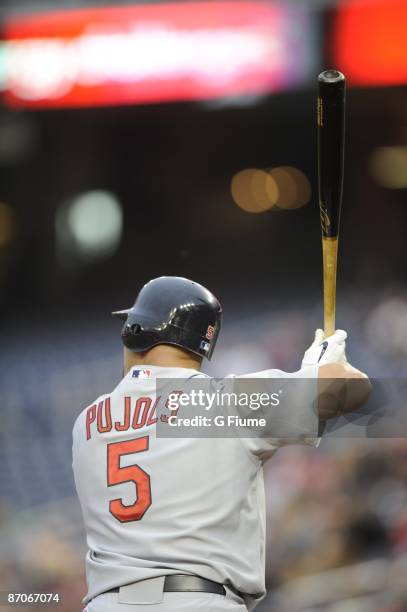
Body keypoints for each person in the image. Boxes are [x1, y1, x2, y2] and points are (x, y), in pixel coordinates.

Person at [72, 276, 371, 612]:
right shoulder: (223, 404)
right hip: (197, 601)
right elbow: (353, 389)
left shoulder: (85, 423)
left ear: (136, 331)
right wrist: (321, 368)